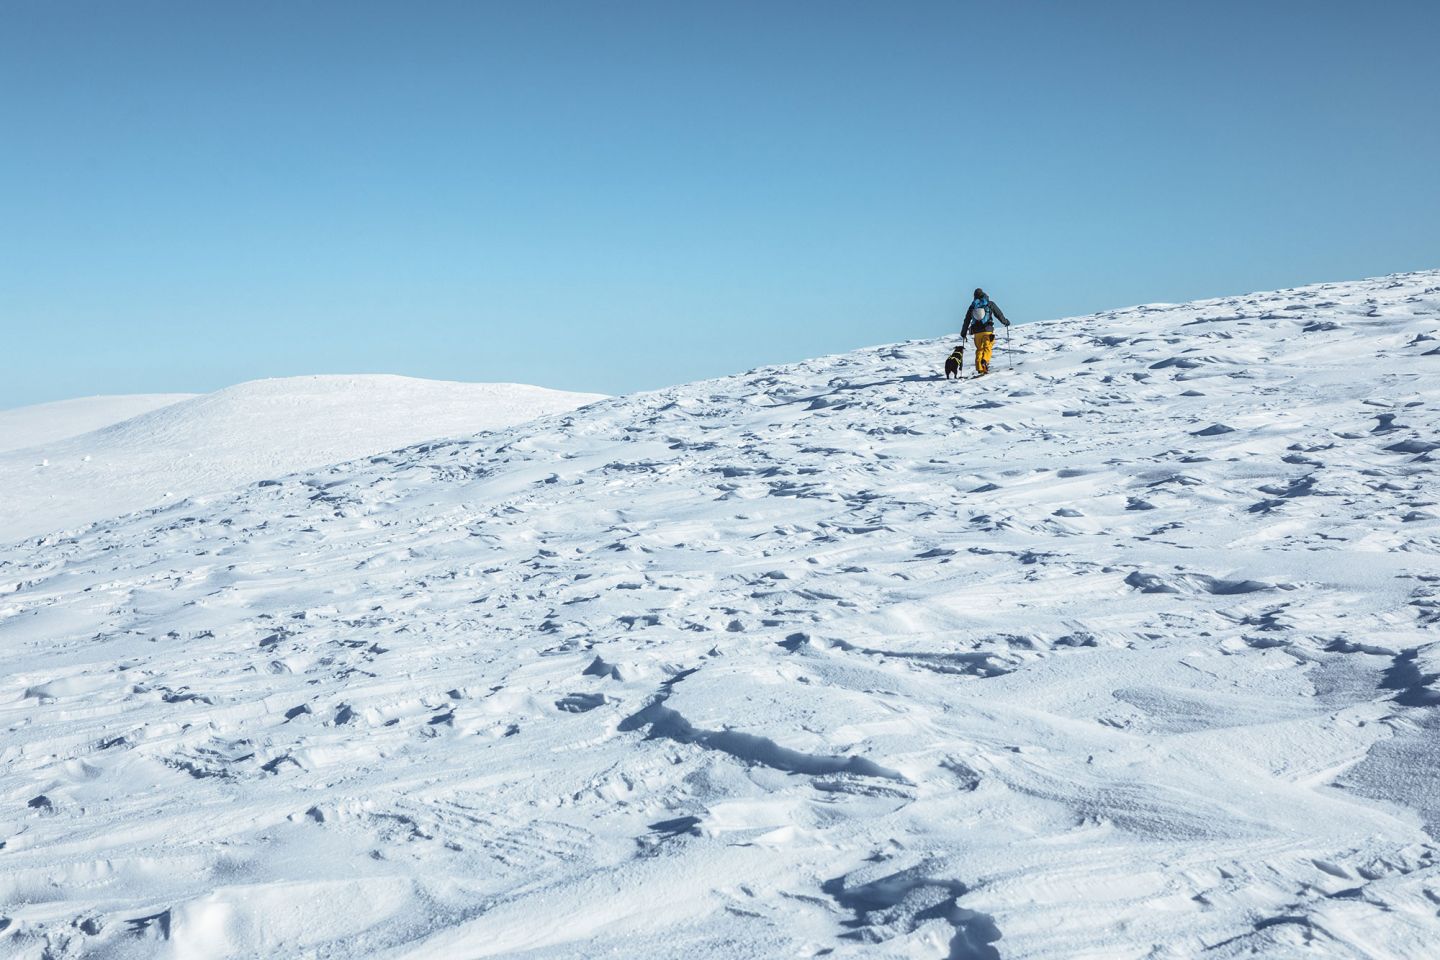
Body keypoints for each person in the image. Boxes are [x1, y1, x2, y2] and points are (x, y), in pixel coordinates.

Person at [960, 288, 1010, 376]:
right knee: (987, 347)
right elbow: (998, 314)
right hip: (987, 330)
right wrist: (1005, 322)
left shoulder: (972, 306)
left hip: (976, 332)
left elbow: (967, 320)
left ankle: (980, 368)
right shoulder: (990, 303)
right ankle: (985, 361)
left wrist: (963, 332)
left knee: (979, 349)